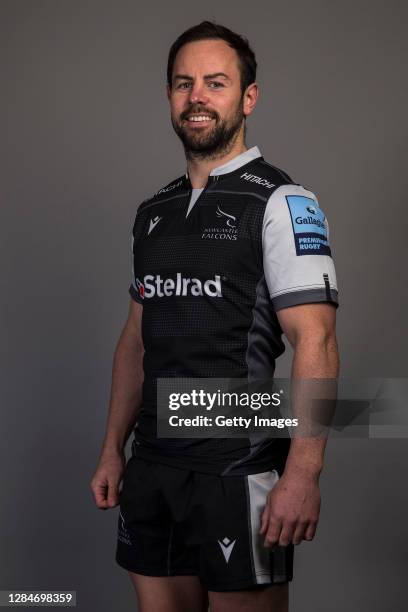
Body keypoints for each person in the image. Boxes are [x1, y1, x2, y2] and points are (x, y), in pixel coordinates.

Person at [90, 21, 339, 612]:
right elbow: (136, 340)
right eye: (183, 84)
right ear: (171, 98)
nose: (197, 96)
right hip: (151, 468)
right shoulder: (154, 212)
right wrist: (111, 448)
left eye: (215, 82)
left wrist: (303, 475)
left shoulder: (283, 202)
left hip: (239, 468)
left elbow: (318, 342)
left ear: (247, 98)